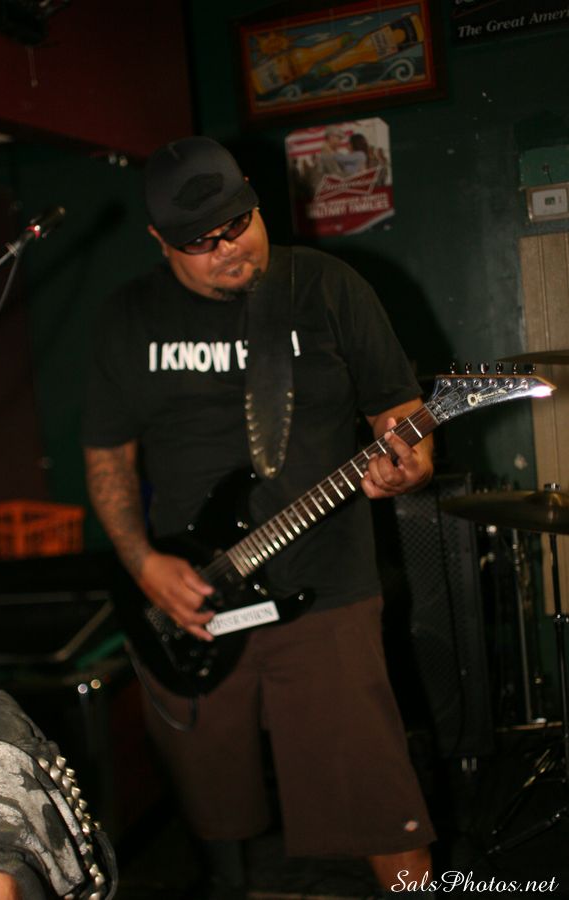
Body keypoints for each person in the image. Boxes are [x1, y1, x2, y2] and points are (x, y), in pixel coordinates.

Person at [82, 136, 435, 896]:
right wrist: (142, 563)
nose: (228, 249)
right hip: (194, 603)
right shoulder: (128, 318)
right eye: (199, 242)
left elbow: (400, 410)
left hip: (327, 592)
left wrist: (409, 461)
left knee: (383, 812)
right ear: (159, 241)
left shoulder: (329, 288)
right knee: (209, 817)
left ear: (252, 195)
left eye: (236, 224)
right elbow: (107, 457)